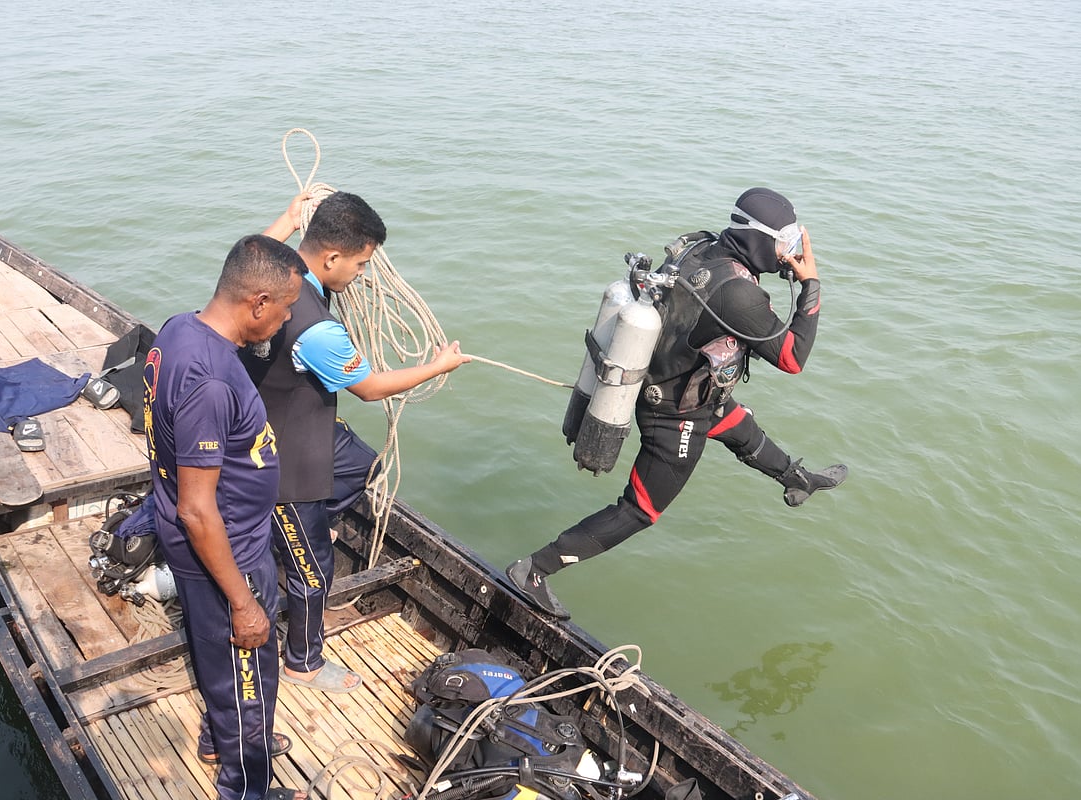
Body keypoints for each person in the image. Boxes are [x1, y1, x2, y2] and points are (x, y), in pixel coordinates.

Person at [508, 187, 847, 619]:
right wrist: (811, 284)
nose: (789, 251)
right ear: (759, 238)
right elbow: (792, 358)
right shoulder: (739, 294)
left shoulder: (705, 246)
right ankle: (535, 570)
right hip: (674, 412)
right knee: (639, 510)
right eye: (784, 240)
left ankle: (796, 479)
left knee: (736, 424)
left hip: (679, 379)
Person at [243, 190, 471, 693]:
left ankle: (292, 533)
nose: (362, 275)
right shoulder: (318, 331)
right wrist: (437, 366)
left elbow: (255, 245)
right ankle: (304, 662)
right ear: (331, 257)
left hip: (278, 419)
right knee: (314, 568)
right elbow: (368, 389)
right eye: (361, 264)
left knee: (362, 465)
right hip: (285, 462)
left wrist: (286, 216)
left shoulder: (267, 274)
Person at [143, 234, 306, 800]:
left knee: (222, 667)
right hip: (224, 550)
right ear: (258, 301)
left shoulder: (178, 329)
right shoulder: (210, 381)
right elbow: (196, 506)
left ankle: (220, 738)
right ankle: (247, 787)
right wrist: (243, 601)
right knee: (249, 679)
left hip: (225, 537)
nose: (285, 321)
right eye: (285, 308)